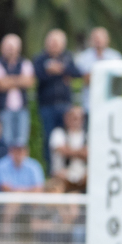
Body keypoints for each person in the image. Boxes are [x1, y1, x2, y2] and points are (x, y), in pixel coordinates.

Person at [33, 29, 81, 172]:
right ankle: (51, 171)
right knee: (49, 139)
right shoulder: (40, 59)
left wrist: (61, 69)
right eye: (52, 42)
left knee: (68, 137)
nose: (54, 45)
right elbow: (38, 77)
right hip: (47, 105)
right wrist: (51, 71)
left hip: (65, 105)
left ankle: (70, 169)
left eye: (57, 42)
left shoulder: (67, 57)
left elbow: (76, 73)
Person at [0, 35, 35, 150]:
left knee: (21, 142)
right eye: (8, 47)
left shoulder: (25, 63)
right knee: (5, 141)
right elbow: (0, 85)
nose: (10, 50)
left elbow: (29, 82)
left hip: (21, 110)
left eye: (12, 47)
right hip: (3, 109)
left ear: (18, 48)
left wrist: (8, 80)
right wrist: (19, 80)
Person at [74, 27, 122, 113]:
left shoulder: (115, 57)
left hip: (110, 105)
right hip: (89, 105)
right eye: (95, 38)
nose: (98, 41)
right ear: (90, 40)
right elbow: (85, 79)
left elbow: (117, 81)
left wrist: (95, 75)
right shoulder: (83, 57)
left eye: (101, 38)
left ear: (107, 40)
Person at [48, 105, 88, 192]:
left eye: (79, 118)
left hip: (82, 178)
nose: (77, 121)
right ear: (66, 118)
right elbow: (63, 151)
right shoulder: (58, 133)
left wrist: (70, 151)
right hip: (62, 176)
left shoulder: (87, 135)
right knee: (55, 188)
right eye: (74, 118)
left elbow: (91, 155)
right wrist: (81, 152)